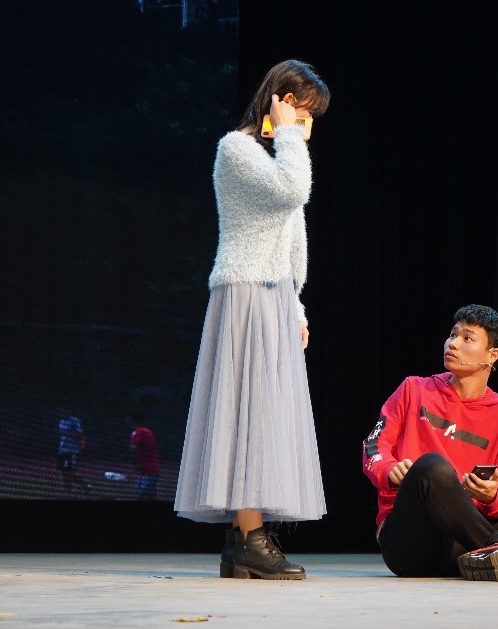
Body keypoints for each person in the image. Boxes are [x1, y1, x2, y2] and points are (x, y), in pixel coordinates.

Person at [173, 59, 331, 581]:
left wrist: (297, 306)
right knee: (249, 415)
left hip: (275, 295)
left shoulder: (280, 156)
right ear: (279, 100)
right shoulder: (237, 149)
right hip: (245, 293)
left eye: (310, 118)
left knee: (265, 414)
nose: (305, 125)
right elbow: (293, 191)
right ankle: (250, 538)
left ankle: (241, 542)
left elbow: (292, 242)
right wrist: (288, 136)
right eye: (301, 111)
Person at [361, 304, 498, 582]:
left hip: (463, 543)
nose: (453, 343)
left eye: (467, 338)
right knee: (433, 467)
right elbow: (373, 447)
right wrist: (389, 469)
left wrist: (492, 495)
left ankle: (497, 552)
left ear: (492, 355)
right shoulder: (413, 389)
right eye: (453, 335)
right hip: (412, 545)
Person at [56, 410, 91, 497]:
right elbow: (61, 432)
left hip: (71, 451)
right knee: (63, 473)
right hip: (62, 450)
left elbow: (79, 434)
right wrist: (69, 432)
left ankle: (84, 486)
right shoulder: (62, 421)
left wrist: (69, 432)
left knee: (70, 473)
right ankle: (67, 492)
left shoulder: (75, 421)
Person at [127, 415, 161, 500]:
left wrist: (134, 461)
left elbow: (133, 448)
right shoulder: (148, 432)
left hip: (147, 470)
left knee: (143, 495)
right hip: (153, 469)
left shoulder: (138, 432)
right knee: (150, 495)